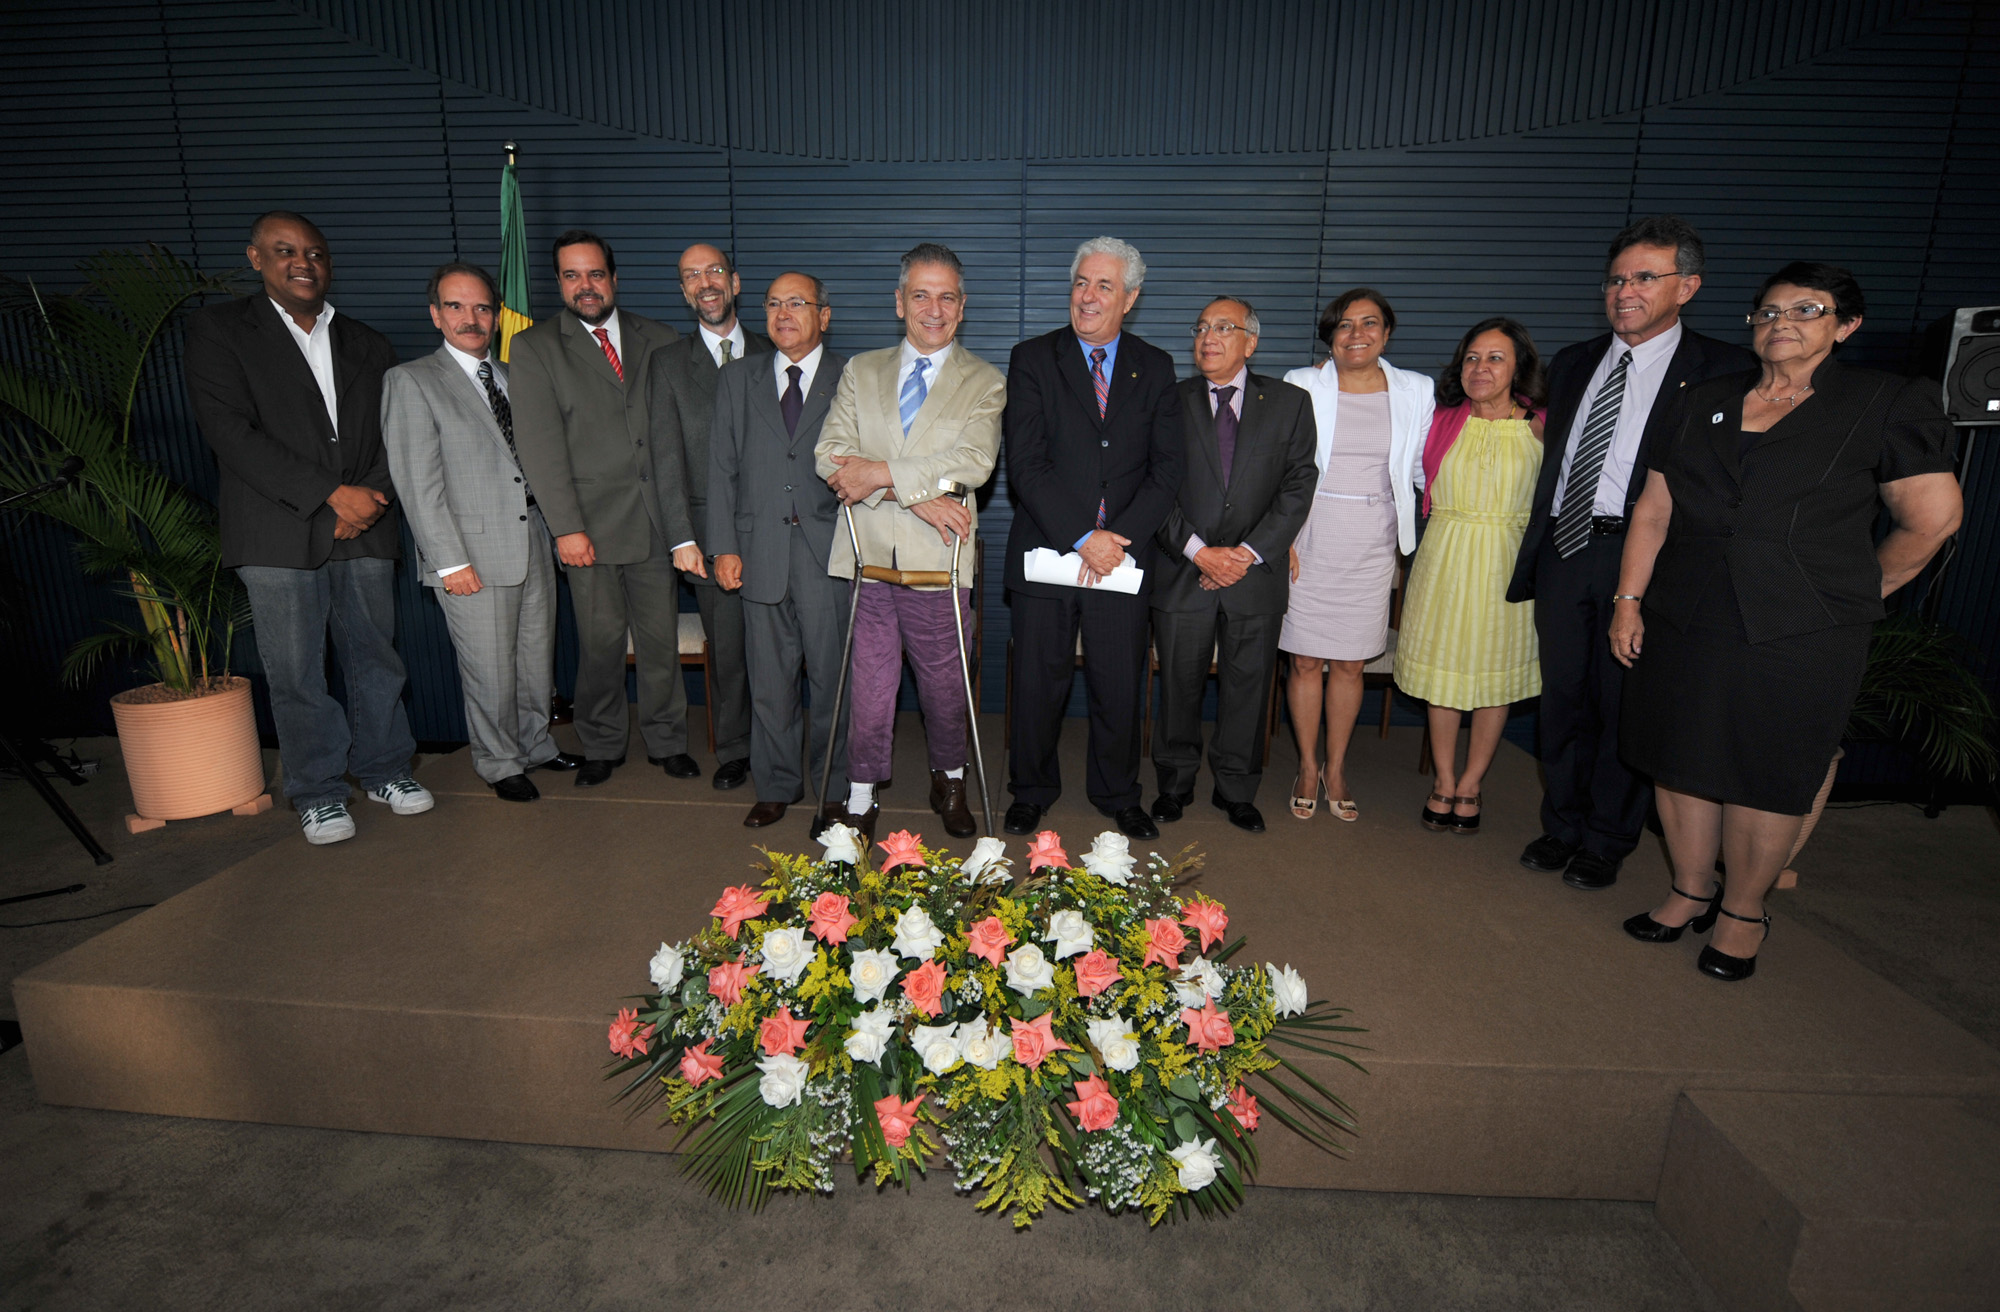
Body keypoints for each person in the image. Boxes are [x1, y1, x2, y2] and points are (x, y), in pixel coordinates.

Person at [1613, 263, 1960, 982]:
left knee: (1764, 771)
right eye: (1768, 311)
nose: (1783, 323)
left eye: (1807, 309)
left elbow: (1931, 519)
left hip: (1802, 631)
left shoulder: (1884, 401)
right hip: (1687, 613)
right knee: (1681, 761)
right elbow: (1654, 509)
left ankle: (1743, 910)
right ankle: (1688, 889)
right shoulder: (1701, 400)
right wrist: (1628, 600)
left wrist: (1845, 594)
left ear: (1846, 324)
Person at [1508, 217, 1756, 891]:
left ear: (1688, 287)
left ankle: (1607, 837)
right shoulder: (1574, 361)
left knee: (1624, 702)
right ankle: (1561, 823)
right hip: (1565, 544)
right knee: (1561, 699)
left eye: (1645, 277)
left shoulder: (1723, 371)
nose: (1626, 291)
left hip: (1647, 556)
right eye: (1617, 278)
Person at [182, 211, 431, 845]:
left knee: (376, 656)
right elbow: (231, 433)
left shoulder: (366, 340)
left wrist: (363, 501)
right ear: (255, 257)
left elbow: (390, 431)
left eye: (315, 252)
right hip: (276, 530)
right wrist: (330, 497)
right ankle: (317, 792)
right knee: (295, 669)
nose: (303, 262)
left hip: (367, 525)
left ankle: (384, 769)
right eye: (285, 250)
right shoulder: (219, 331)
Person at [815, 243, 1005, 843]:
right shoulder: (860, 370)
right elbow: (829, 455)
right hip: (868, 561)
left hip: (939, 567)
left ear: (963, 306)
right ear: (900, 302)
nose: (934, 308)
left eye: (947, 296)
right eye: (920, 294)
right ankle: (862, 794)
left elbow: (972, 463)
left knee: (947, 688)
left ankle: (949, 779)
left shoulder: (985, 381)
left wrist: (877, 473)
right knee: (869, 691)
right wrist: (914, 492)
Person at [1003, 236, 1184, 840]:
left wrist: (1118, 538)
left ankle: (1116, 793)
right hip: (1049, 550)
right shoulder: (1032, 358)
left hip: (1122, 561)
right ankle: (1030, 790)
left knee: (1117, 683)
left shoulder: (1155, 367)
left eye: (1104, 285)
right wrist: (1083, 535)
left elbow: (1167, 471)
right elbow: (1025, 465)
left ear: (1129, 298)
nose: (1088, 295)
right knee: (1036, 682)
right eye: (1082, 281)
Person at [380, 263, 579, 802]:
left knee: (536, 659)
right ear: (435, 315)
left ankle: (535, 744)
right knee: (489, 670)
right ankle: (497, 763)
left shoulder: (517, 376)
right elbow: (417, 483)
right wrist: (449, 562)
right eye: (455, 306)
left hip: (535, 539)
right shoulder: (412, 381)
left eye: (482, 308)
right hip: (469, 554)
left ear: (495, 315)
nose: (470, 318)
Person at [508, 229, 685, 788]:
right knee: (602, 644)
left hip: (658, 522)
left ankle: (667, 741)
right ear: (558, 282)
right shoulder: (535, 347)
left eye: (595, 274)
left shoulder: (659, 338)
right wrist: (566, 528)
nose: (585, 286)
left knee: (659, 643)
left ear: (614, 278)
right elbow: (538, 445)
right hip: (589, 529)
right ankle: (603, 744)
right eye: (571, 275)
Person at [1150, 297, 1316, 833]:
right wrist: (1200, 550)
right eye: (1201, 327)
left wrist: (1244, 555)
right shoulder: (1168, 402)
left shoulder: (1290, 402)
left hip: (1254, 573)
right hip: (1183, 570)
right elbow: (1152, 488)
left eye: (1224, 327)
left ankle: (1237, 789)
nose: (1208, 337)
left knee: (1250, 685)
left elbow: (1298, 485)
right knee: (1178, 683)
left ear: (1252, 341)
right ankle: (1174, 784)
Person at [1279, 288, 1434, 822]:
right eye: (1345, 324)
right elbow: (1280, 468)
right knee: (1303, 659)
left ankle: (1336, 767)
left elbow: (1419, 470)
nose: (1357, 334)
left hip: (1373, 537)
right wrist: (1284, 538)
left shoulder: (1416, 389)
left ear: (1386, 333)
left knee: (1349, 662)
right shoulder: (1302, 384)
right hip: (1309, 533)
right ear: (1330, 335)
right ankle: (1305, 763)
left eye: (1370, 323)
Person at [709, 273, 851, 832]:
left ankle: (835, 792)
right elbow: (721, 468)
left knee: (833, 681)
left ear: (825, 313)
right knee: (768, 682)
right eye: (773, 304)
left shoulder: (852, 378)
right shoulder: (736, 379)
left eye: (798, 303)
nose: (783, 313)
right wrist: (722, 546)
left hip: (830, 554)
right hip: (758, 552)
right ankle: (776, 785)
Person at [1396, 317, 1547, 835]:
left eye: (1496, 358)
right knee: (1443, 673)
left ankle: (1472, 782)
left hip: (1509, 562)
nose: (1481, 368)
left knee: (1494, 676)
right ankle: (1443, 777)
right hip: (1445, 556)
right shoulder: (1439, 419)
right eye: (1472, 358)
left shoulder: (1542, 423)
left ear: (1519, 366)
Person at [646, 243, 772, 790]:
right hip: (710, 533)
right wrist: (680, 538)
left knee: (783, 645)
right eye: (691, 276)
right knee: (728, 652)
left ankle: (784, 744)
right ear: (683, 291)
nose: (705, 282)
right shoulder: (668, 364)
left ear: (736, 282)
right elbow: (664, 457)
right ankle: (738, 749)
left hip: (781, 530)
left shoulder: (779, 349)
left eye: (715, 270)